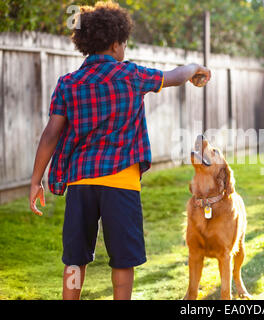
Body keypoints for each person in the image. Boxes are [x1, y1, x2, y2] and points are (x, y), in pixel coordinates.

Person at [28, 1, 210, 300]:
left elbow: (51, 134)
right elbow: (175, 76)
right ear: (115, 44)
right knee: (123, 258)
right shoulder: (130, 75)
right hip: (121, 182)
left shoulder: (69, 83)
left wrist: (36, 180)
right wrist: (196, 69)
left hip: (81, 182)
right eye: (123, 43)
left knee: (75, 256)